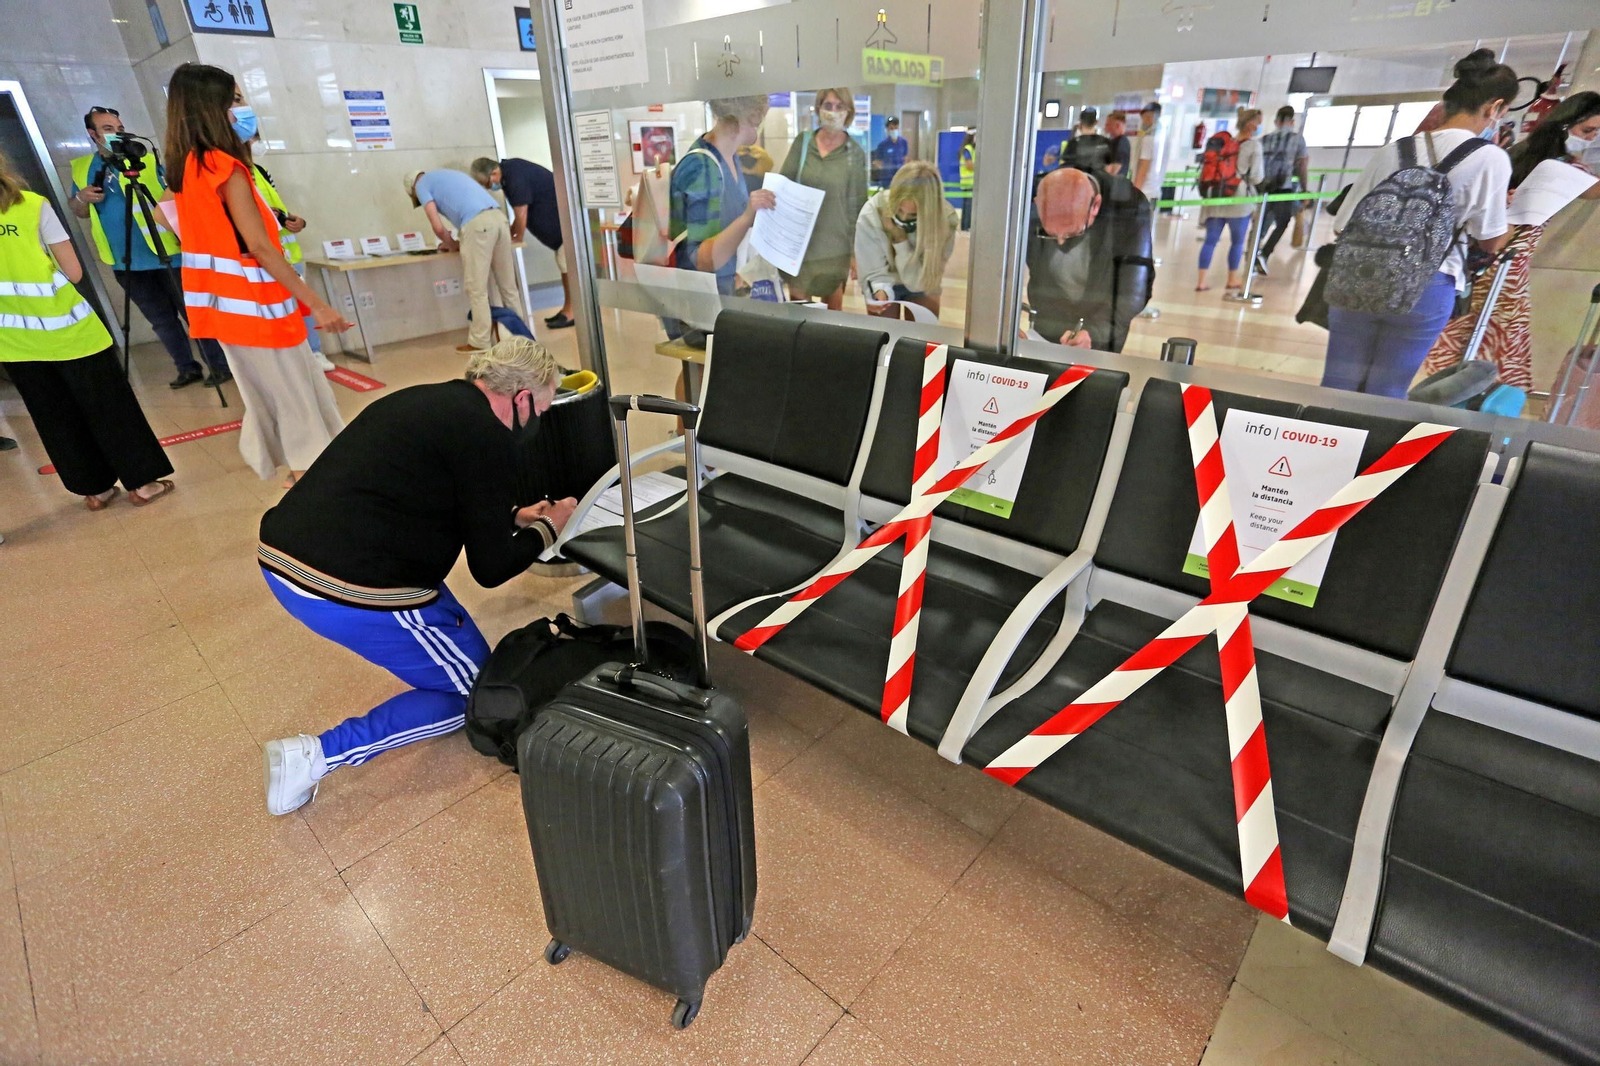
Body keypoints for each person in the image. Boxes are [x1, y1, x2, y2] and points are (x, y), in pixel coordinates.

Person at [257, 338, 577, 815]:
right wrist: (552, 526)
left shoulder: (429, 401)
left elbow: (428, 487)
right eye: (543, 408)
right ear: (523, 397)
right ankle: (316, 755)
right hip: (347, 587)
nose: (538, 422)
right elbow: (490, 570)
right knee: (478, 694)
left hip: (285, 555)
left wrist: (510, 515)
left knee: (463, 649)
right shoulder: (488, 436)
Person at [165, 63, 351, 485]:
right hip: (259, 305)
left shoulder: (185, 167)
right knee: (294, 395)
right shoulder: (223, 166)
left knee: (269, 392)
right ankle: (307, 475)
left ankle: (296, 465)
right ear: (212, 108)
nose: (243, 107)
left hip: (222, 307)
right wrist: (317, 305)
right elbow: (263, 248)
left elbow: (166, 216)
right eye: (235, 99)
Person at [1322, 50, 1516, 398]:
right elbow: (1490, 242)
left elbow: (1343, 224)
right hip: (1428, 286)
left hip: (1359, 277)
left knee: (1337, 384)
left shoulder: (1393, 150)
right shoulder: (1491, 158)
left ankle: (1319, 445)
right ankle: (1368, 451)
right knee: (1388, 389)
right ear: (1494, 107)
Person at [0, 149, 174, 510]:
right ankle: (141, 483)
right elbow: (74, 272)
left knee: (54, 415)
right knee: (110, 405)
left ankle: (94, 490)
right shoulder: (30, 204)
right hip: (69, 329)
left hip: (12, 341)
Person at [1420, 91, 1600, 392]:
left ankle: (1448, 389)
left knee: (1469, 329)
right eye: (1588, 131)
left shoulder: (1517, 154)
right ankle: (1482, 395)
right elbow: (1594, 192)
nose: (1592, 138)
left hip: (1478, 255)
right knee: (1500, 332)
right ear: (1564, 125)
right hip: (1507, 260)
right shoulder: (1562, 168)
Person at [68, 106, 229, 389]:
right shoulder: (83, 168)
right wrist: (81, 198)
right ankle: (186, 368)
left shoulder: (146, 158)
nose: (116, 135)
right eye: (107, 130)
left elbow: (178, 196)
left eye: (119, 129)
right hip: (125, 260)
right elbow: (78, 211)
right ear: (92, 134)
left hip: (169, 252)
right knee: (161, 321)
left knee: (194, 314)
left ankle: (219, 366)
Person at [1025, 166, 1154, 353]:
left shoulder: (1129, 206)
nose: (1060, 242)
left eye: (1072, 233)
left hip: (1102, 324)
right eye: (1050, 234)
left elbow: (1133, 290)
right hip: (1047, 322)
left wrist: (1094, 332)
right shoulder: (1034, 195)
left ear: (1095, 206)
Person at [405, 167, 525, 352]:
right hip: (499, 220)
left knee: (476, 288)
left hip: (478, 225)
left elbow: (437, 227)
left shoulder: (421, 185)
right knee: (508, 286)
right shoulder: (446, 174)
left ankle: (480, 342)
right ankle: (521, 339)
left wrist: (451, 244)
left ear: (412, 189)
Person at [669, 95, 776, 298]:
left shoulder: (729, 156)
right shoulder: (703, 167)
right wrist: (746, 218)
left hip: (722, 290)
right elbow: (702, 260)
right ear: (752, 114)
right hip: (699, 302)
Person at [247, 136, 333, 371]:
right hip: (260, 259)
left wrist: (294, 221)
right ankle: (290, 360)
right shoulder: (233, 174)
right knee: (276, 312)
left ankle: (314, 353)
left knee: (302, 307)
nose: (255, 141)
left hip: (288, 254)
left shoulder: (261, 172)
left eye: (257, 136)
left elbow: (277, 209)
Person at [778, 88, 869, 309]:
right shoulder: (803, 143)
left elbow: (858, 206)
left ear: (848, 112)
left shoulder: (853, 153)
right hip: (800, 245)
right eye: (828, 105)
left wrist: (857, 255)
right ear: (818, 108)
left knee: (832, 318)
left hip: (835, 248)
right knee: (799, 313)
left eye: (839, 106)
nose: (833, 111)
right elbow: (783, 186)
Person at [469, 156, 574, 330]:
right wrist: (509, 235)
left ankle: (571, 312)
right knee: (565, 266)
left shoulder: (514, 177)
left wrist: (517, 238)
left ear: (494, 172)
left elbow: (521, 214)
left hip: (567, 230)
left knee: (567, 267)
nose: (488, 188)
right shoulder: (511, 172)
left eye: (487, 183)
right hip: (562, 232)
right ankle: (568, 309)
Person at [854, 160, 958, 319]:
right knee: (883, 336)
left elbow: (920, 283)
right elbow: (873, 272)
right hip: (885, 276)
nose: (902, 218)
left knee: (921, 337)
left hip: (922, 280)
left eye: (912, 215)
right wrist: (879, 291)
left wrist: (900, 239)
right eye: (899, 210)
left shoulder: (945, 219)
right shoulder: (872, 212)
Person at [1196, 107, 1264, 293]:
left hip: (1216, 196)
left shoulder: (1222, 142)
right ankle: (1232, 279)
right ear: (1251, 125)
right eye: (1258, 123)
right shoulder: (1253, 146)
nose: (1259, 126)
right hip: (1239, 199)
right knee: (1237, 242)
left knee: (1210, 241)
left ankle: (1202, 281)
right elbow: (1257, 176)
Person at [1255, 105, 1310, 273]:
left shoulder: (1263, 139)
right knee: (1283, 222)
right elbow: (1302, 165)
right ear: (1292, 121)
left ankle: (1252, 254)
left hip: (1263, 187)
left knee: (1260, 224)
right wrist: (1304, 189)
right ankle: (1264, 254)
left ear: (1276, 121)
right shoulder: (1298, 139)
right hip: (1284, 188)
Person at [1061, 109, 1112, 173]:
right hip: (1100, 180)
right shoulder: (1106, 142)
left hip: (1078, 179)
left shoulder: (1073, 143)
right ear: (1096, 122)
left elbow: (1066, 165)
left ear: (1080, 123)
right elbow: (1110, 166)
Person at [871, 116, 908, 188]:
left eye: (896, 128)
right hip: (887, 180)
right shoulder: (882, 145)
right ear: (887, 129)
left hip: (900, 178)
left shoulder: (903, 142)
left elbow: (905, 158)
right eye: (891, 128)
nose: (894, 130)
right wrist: (885, 170)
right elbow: (877, 161)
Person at [958, 130, 977, 231]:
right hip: (969, 183)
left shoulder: (972, 149)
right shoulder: (967, 149)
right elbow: (969, 165)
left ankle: (965, 227)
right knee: (968, 207)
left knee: (967, 207)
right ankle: (966, 227)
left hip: (970, 183)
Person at [1104, 111, 1132, 176]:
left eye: (1108, 125)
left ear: (1117, 125)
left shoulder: (1122, 143)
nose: (1105, 128)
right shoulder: (1113, 142)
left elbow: (1114, 169)